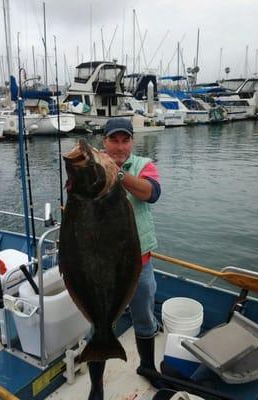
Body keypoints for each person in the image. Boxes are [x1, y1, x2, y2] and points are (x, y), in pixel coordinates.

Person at [87, 117, 163, 400]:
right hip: (102, 267)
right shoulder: (90, 167)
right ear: (103, 141)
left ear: (132, 141)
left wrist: (117, 174)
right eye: (113, 140)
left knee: (144, 317)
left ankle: (148, 367)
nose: (119, 146)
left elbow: (151, 193)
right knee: (98, 323)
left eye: (125, 140)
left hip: (139, 263)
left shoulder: (143, 165)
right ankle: (97, 386)